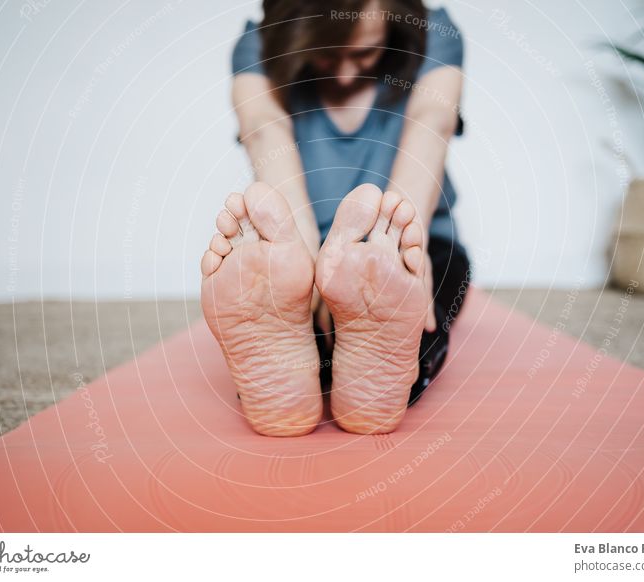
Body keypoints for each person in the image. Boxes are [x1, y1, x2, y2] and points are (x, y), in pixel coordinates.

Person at [200, 0, 471, 436]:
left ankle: (329, 363)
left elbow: (431, 119)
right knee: (288, 301)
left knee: (417, 301)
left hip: (416, 239)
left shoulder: (433, 33)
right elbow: (264, 126)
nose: (344, 75)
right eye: (326, 55)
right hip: (301, 255)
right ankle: (300, 355)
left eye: (364, 55)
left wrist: (404, 251)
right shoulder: (258, 45)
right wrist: (306, 265)